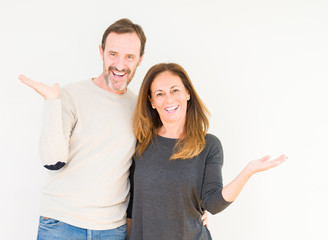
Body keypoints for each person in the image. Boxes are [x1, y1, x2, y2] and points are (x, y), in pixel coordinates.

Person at [19, 19, 209, 239]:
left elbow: (160, 160)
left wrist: (198, 206)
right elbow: (53, 161)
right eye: (113, 54)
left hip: (112, 229)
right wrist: (52, 102)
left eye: (129, 56)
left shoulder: (141, 109)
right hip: (62, 224)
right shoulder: (71, 95)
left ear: (140, 60)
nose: (120, 64)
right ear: (101, 52)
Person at [127, 63, 287, 240]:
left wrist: (247, 173)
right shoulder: (140, 143)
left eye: (175, 90)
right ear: (152, 101)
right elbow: (131, 204)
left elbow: (213, 203)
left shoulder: (208, 145)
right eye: (160, 94)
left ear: (187, 93)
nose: (169, 99)